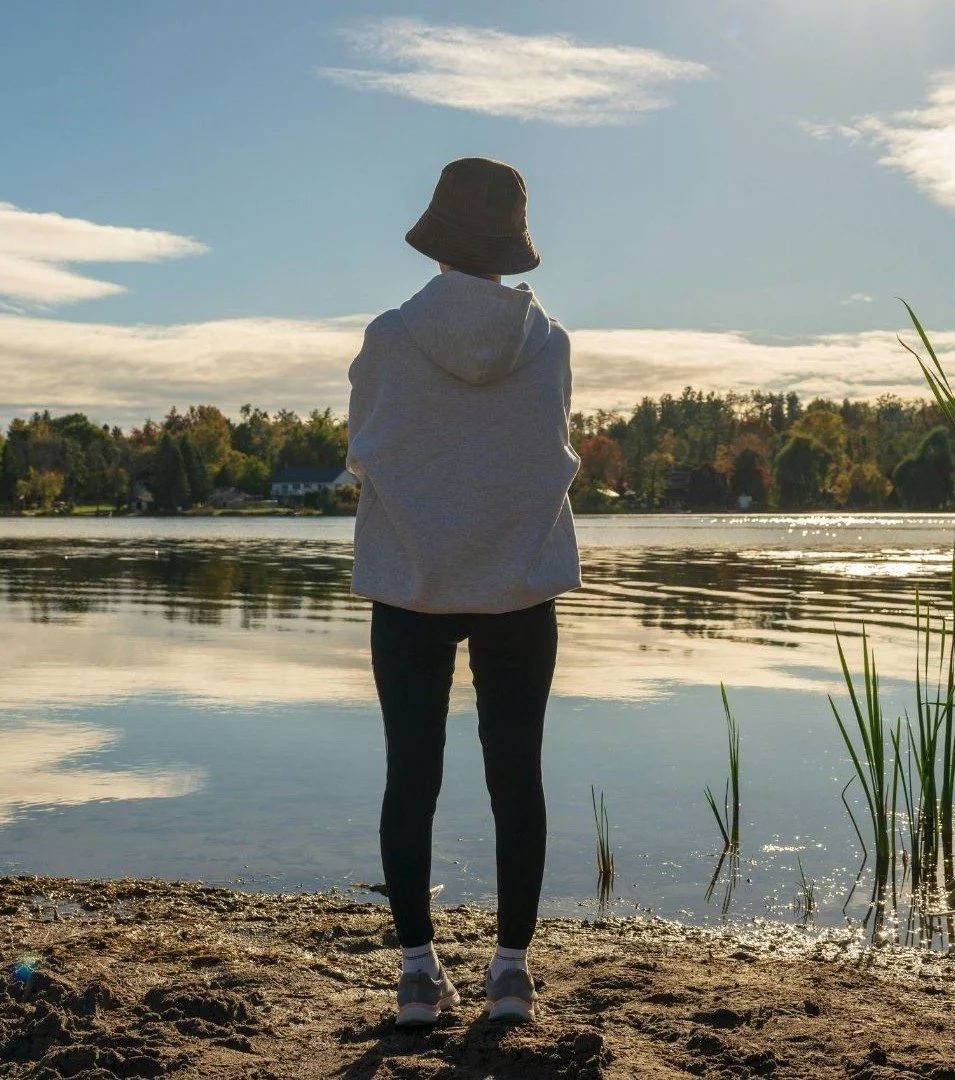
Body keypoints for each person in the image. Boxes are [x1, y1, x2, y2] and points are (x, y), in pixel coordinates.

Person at [346, 157, 581, 1026]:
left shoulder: (388, 336)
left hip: (411, 580)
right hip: (520, 581)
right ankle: (511, 974)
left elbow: (365, 452)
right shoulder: (550, 342)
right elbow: (546, 451)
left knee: (410, 776)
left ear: (437, 241)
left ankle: (416, 974)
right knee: (518, 776)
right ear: (510, 247)